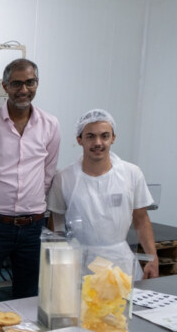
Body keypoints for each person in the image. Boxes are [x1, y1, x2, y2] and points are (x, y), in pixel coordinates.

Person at [0, 58, 60, 301]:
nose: (24, 90)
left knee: (27, 296)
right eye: (16, 84)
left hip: (32, 226)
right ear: (5, 87)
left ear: (37, 84)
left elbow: (48, 173)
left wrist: (33, 206)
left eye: (30, 82)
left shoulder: (50, 125)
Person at [47, 109, 159, 279]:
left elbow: (141, 219)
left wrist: (153, 258)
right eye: (90, 136)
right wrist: (59, 262)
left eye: (104, 136)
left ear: (113, 138)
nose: (98, 142)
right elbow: (56, 223)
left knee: (124, 304)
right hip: (79, 264)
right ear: (79, 140)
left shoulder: (131, 173)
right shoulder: (64, 177)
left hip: (121, 263)